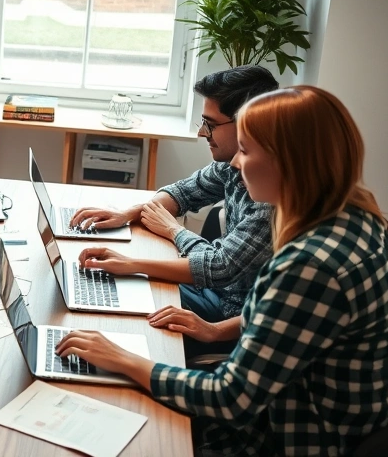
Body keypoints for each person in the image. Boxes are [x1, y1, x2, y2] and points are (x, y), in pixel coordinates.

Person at [56, 86, 388, 455]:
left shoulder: (308, 265)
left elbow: (230, 398)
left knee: (116, 411)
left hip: (300, 436)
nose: (236, 164)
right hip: (347, 418)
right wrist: (215, 331)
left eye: (246, 150)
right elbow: (298, 320)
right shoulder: (360, 219)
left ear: (287, 160)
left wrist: (121, 359)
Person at [70, 66, 279, 357]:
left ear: (248, 123)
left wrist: (169, 234)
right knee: (109, 289)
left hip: (228, 314)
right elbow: (183, 192)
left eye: (210, 123)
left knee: (121, 315)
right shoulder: (230, 165)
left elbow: (217, 267)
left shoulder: (269, 201)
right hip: (215, 295)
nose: (201, 132)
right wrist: (127, 214)